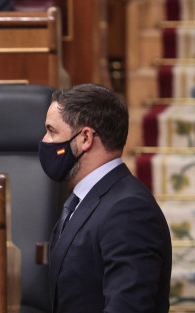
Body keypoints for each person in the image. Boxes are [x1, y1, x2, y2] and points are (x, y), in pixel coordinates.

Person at [40, 84, 171, 313]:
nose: (45, 141)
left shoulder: (128, 210)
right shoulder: (85, 200)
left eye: (52, 131)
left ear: (85, 138)